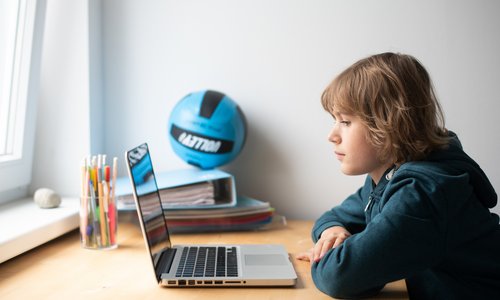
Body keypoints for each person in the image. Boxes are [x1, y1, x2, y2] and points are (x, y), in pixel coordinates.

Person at [297, 52, 500, 299]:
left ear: (389, 125)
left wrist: (326, 255)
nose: (332, 135)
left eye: (346, 122)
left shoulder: (422, 193)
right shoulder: (387, 176)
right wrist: (331, 234)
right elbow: (335, 217)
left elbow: (340, 278)